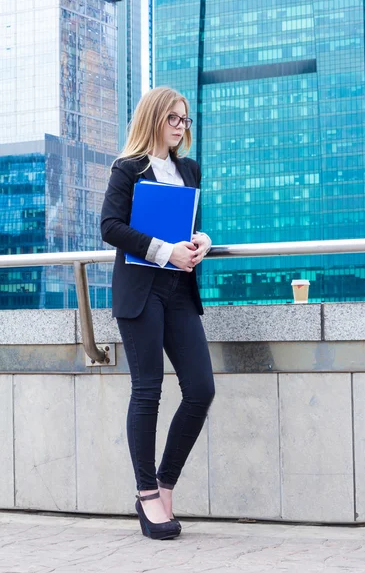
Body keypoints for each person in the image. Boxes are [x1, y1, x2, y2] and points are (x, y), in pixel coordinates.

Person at [100, 87, 215, 540]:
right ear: (153, 118)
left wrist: (200, 241)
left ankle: (166, 483)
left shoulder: (188, 169)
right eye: (172, 117)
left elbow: (187, 226)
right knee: (147, 391)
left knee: (200, 389)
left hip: (180, 291)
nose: (179, 126)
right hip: (141, 290)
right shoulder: (127, 169)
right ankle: (147, 493)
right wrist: (165, 251)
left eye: (184, 119)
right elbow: (110, 227)